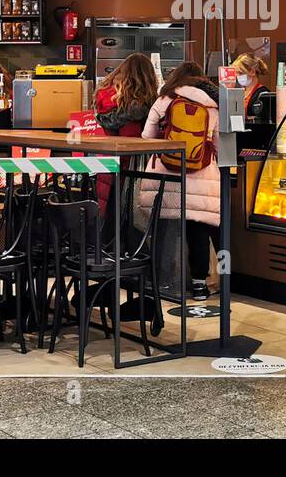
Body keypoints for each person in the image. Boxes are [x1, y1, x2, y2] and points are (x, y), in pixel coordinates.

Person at [139, 61, 221, 301]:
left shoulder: (164, 99)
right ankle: (198, 285)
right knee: (198, 232)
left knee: (164, 229)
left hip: (165, 176)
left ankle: (163, 281)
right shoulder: (211, 104)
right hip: (201, 175)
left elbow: (146, 137)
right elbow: (217, 143)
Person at [93, 53, 160, 215]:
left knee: (109, 216)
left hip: (107, 164)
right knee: (130, 217)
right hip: (132, 167)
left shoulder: (105, 95)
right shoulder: (141, 104)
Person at [230, 52, 271, 121]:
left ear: (252, 72)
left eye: (240, 73)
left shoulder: (263, 94)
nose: (237, 76)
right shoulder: (240, 93)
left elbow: (263, 120)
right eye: (236, 74)